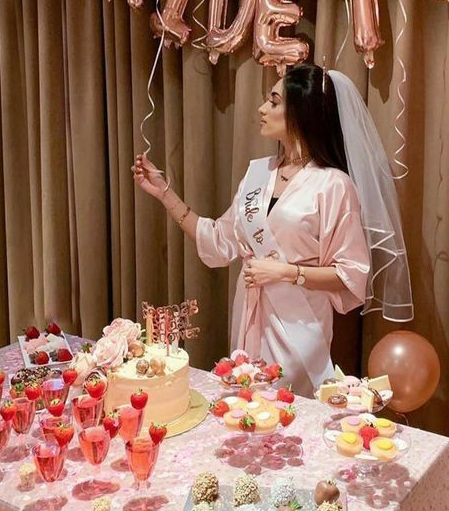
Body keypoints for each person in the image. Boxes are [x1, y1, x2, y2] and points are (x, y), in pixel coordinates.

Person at [133, 63, 412, 396]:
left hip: (299, 324)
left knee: (285, 415)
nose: (263, 109)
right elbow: (220, 241)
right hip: (251, 314)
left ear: (301, 112)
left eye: (275, 102)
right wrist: (165, 193)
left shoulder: (333, 185)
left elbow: (351, 274)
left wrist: (286, 272)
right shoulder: (258, 175)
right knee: (245, 408)